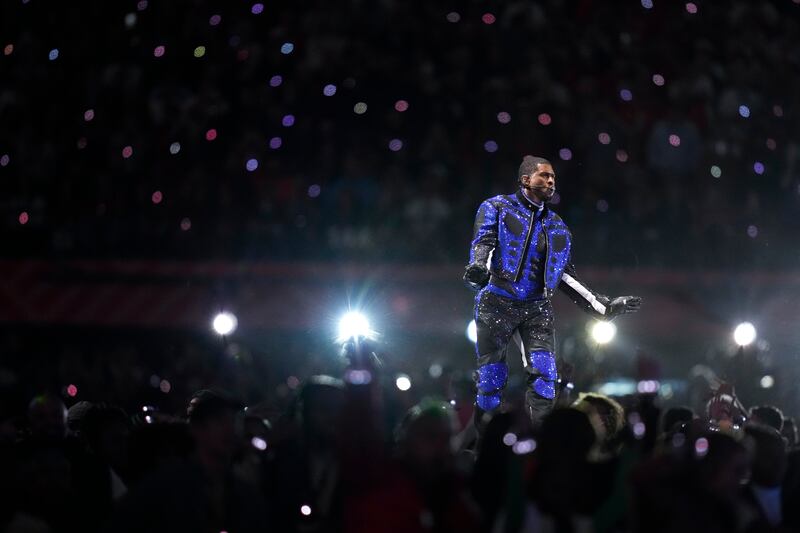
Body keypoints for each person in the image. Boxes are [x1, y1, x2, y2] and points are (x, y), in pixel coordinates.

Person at [463, 155, 641, 430]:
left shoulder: (558, 227)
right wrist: (478, 269)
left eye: (553, 178)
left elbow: (565, 277)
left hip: (536, 307)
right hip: (496, 301)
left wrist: (602, 308)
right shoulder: (496, 207)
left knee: (545, 376)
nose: (551, 182)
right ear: (525, 180)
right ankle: (484, 442)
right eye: (545, 176)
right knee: (491, 377)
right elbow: (484, 242)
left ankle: (541, 440)